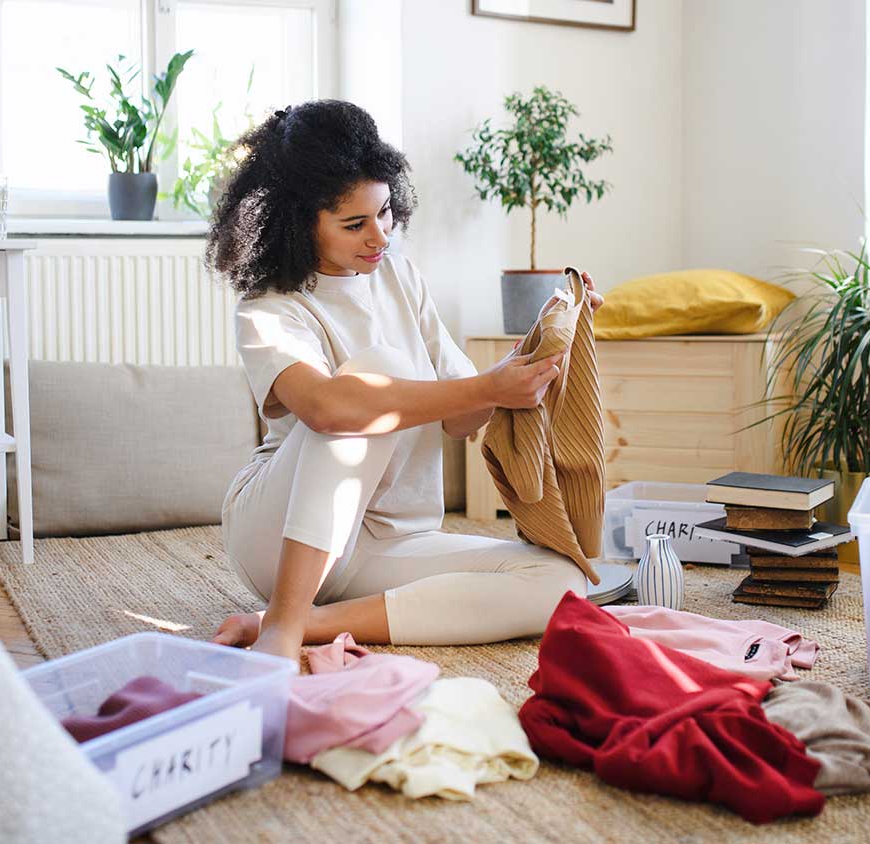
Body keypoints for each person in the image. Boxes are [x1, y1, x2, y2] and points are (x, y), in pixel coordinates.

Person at [204, 99, 603, 663]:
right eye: (354, 224)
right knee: (374, 379)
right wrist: (486, 388)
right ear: (298, 222)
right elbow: (327, 408)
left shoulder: (399, 276)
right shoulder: (269, 307)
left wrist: (538, 351)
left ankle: (311, 623)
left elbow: (463, 414)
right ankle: (284, 624)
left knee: (562, 582)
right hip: (279, 538)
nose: (380, 236)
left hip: (391, 541)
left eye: (386, 212)